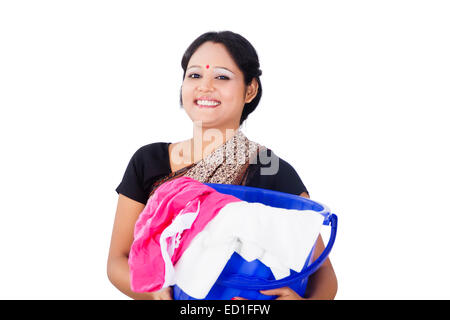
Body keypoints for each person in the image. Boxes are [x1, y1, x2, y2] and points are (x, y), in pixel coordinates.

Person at [107, 31, 338, 300]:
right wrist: (158, 296)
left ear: (250, 89)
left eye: (221, 77)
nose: (205, 86)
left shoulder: (270, 168)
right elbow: (117, 261)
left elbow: (322, 273)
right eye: (195, 75)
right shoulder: (148, 161)